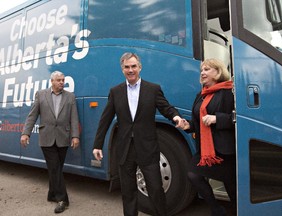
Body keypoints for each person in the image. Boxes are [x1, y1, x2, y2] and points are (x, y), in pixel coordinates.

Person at [92, 52, 183, 216]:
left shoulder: (153, 89)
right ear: (122, 70)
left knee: (155, 188)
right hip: (125, 149)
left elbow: (166, 107)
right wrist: (97, 144)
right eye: (127, 67)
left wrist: (175, 116)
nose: (130, 70)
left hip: (147, 147)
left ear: (140, 67)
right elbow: (105, 119)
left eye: (133, 66)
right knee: (128, 192)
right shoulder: (115, 91)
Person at [179, 59, 236, 216]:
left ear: (218, 72)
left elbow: (238, 118)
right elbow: (198, 121)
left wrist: (217, 119)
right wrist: (188, 126)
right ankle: (217, 210)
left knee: (231, 187)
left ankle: (236, 211)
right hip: (206, 150)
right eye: (202, 70)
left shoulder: (228, 92)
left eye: (207, 69)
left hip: (224, 149)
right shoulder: (201, 94)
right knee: (193, 175)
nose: (202, 72)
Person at [20, 71, 80, 214]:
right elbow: (32, 115)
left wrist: (75, 136)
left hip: (63, 137)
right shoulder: (41, 95)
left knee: (57, 167)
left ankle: (52, 193)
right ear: (52, 81)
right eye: (58, 80)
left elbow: (74, 118)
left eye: (63, 80)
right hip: (46, 137)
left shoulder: (70, 97)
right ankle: (62, 199)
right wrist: (25, 133)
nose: (61, 82)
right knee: (54, 167)